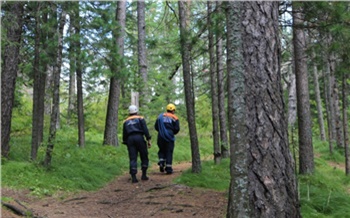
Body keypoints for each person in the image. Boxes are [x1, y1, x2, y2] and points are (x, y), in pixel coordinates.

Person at [122, 105, 151, 183]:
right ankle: (144, 175)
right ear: (136, 111)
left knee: (133, 158)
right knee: (144, 155)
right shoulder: (141, 119)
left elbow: (124, 133)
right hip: (139, 138)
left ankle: (134, 177)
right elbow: (145, 129)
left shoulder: (126, 121)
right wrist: (148, 139)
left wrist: (125, 141)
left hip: (130, 139)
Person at [154, 103, 180, 174]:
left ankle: (161, 162)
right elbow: (177, 129)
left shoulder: (160, 117)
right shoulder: (175, 118)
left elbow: (156, 126)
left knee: (161, 149)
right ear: (173, 110)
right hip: (170, 135)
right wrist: (172, 133)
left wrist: (161, 131)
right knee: (169, 151)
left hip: (160, 135)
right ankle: (168, 168)